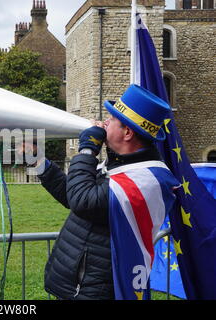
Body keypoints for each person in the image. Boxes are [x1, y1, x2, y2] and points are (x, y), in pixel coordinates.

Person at [27, 84, 178, 300]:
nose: (105, 122)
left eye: (112, 119)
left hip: (94, 288)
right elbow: (74, 195)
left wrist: (88, 149)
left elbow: (83, 200)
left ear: (127, 132)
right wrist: (36, 159)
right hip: (78, 282)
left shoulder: (144, 179)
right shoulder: (120, 166)